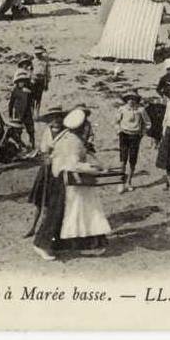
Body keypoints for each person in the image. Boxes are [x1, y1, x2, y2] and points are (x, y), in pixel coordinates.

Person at [32, 108, 112, 260]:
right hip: (65, 180)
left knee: (81, 212)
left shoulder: (69, 137)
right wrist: (93, 168)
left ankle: (88, 244)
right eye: (87, 127)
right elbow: (73, 164)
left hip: (70, 180)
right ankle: (42, 244)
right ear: (81, 127)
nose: (89, 130)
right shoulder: (73, 141)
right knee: (59, 213)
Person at [25, 104, 66, 237]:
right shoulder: (47, 132)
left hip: (59, 169)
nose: (56, 120)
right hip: (46, 169)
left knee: (52, 202)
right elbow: (43, 149)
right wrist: (46, 156)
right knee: (39, 200)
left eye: (58, 117)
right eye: (53, 118)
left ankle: (47, 230)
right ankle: (33, 227)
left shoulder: (66, 133)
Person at [7, 69, 35, 149]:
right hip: (18, 113)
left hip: (27, 113)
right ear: (17, 82)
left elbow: (32, 101)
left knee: (31, 130)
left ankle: (32, 145)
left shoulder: (28, 91)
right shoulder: (15, 91)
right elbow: (11, 103)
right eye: (20, 81)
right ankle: (20, 146)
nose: (21, 83)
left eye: (23, 81)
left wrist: (30, 93)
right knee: (17, 131)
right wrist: (10, 114)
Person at [31, 46, 51, 115]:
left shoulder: (45, 62)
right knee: (32, 98)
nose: (38, 55)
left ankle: (37, 113)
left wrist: (47, 83)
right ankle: (32, 113)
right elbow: (30, 72)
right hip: (34, 81)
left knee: (39, 98)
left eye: (39, 53)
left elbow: (47, 73)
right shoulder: (33, 62)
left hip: (41, 81)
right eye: (37, 54)